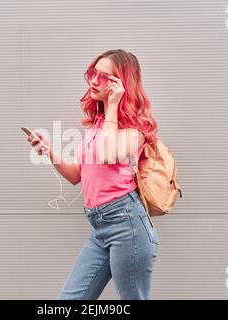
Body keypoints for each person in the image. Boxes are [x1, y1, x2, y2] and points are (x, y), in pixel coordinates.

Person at [26, 49, 160, 300]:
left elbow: (109, 154)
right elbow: (77, 175)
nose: (94, 81)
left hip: (127, 224)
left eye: (104, 77)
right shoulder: (99, 123)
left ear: (122, 83)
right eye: (93, 74)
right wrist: (50, 151)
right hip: (99, 227)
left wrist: (112, 107)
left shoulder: (137, 125)